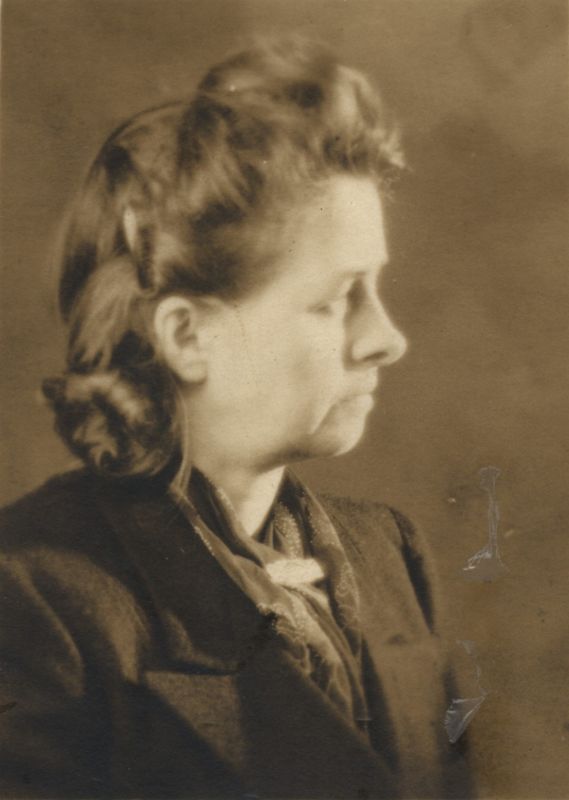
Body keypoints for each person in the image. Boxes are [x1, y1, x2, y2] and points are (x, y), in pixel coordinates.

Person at [0, 37, 471, 799]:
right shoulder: (35, 597)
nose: (385, 338)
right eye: (336, 299)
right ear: (188, 336)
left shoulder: (386, 552)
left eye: (375, 290)